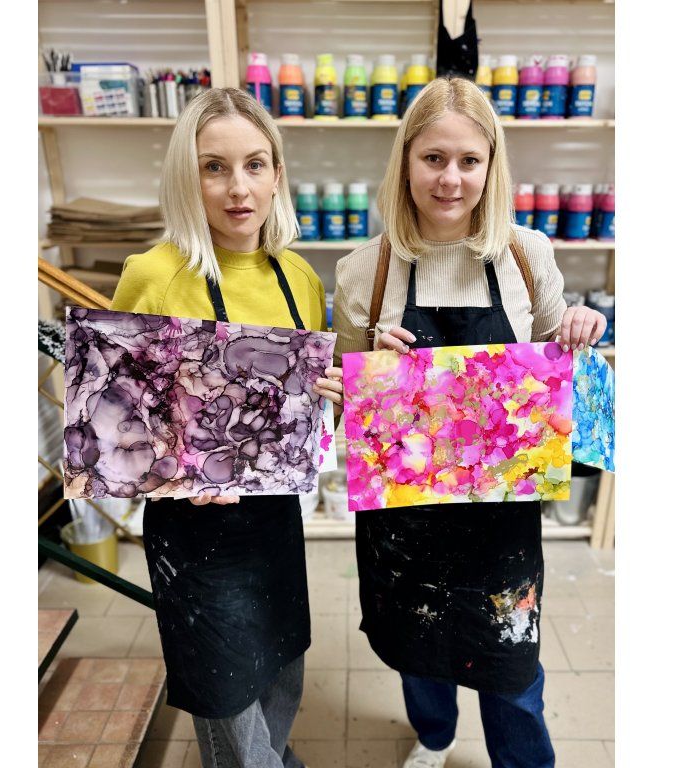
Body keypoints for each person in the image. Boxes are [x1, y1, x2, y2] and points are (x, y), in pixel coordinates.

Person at [332, 77, 606, 768]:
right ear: (405, 162)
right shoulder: (364, 271)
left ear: (491, 165)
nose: (450, 179)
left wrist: (580, 331)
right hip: (405, 519)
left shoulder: (526, 255)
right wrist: (371, 370)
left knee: (511, 670)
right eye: (433, 158)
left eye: (468, 160)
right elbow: (341, 404)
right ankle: (434, 738)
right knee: (418, 648)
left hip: (499, 521)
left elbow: (556, 369)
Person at [111, 87, 343, 768]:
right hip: (195, 528)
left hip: (273, 517)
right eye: (214, 167)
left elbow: (301, 408)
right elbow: (114, 413)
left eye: (254, 165)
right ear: (187, 177)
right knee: (225, 694)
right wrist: (178, 470)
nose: (238, 187)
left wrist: (332, 396)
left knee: (281, 663)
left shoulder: (298, 277)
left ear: (277, 175)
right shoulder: (155, 275)